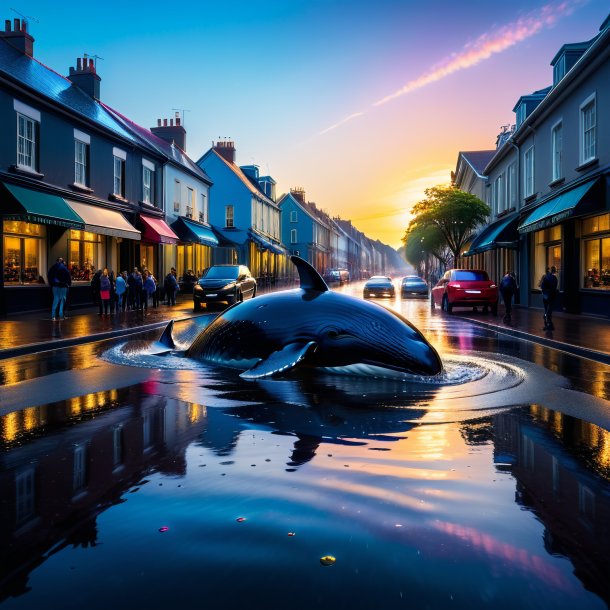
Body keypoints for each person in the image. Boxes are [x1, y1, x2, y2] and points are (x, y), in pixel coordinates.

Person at [540, 266, 558, 330]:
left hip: (545, 295)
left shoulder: (546, 277)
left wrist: (544, 292)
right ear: (555, 271)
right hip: (551, 296)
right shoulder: (555, 278)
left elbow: (542, 286)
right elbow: (554, 288)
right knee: (549, 309)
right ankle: (549, 323)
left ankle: (547, 320)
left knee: (546, 308)